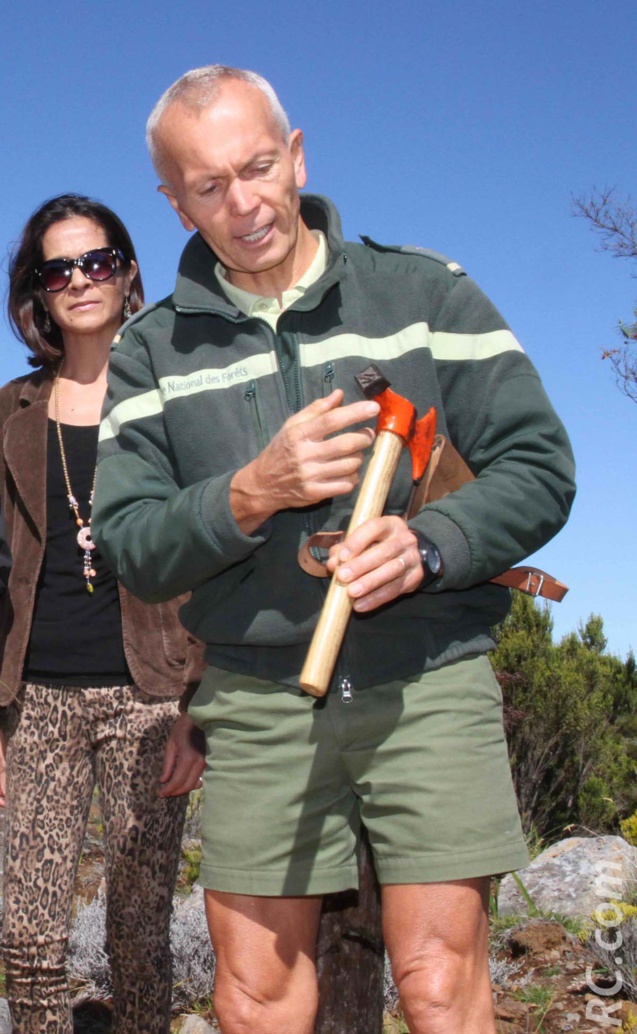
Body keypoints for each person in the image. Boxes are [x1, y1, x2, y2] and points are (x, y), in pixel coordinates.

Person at [92, 66, 576, 1034]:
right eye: (207, 186)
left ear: (298, 153)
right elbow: (130, 546)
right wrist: (249, 491)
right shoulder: (148, 352)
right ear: (171, 201)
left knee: (439, 984)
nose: (244, 203)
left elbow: (540, 465)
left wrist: (434, 543)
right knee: (253, 998)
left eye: (259, 167)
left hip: (428, 676)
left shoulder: (423, 290)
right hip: (260, 696)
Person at [0, 193, 205, 1034]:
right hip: (36, 700)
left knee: (138, 938)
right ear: (38, 293)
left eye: (97, 260)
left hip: (150, 700)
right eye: (59, 268)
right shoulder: (11, 413)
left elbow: (213, 559)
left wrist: (201, 710)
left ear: (126, 272)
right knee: (26, 940)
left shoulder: (176, 404)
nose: (80, 279)